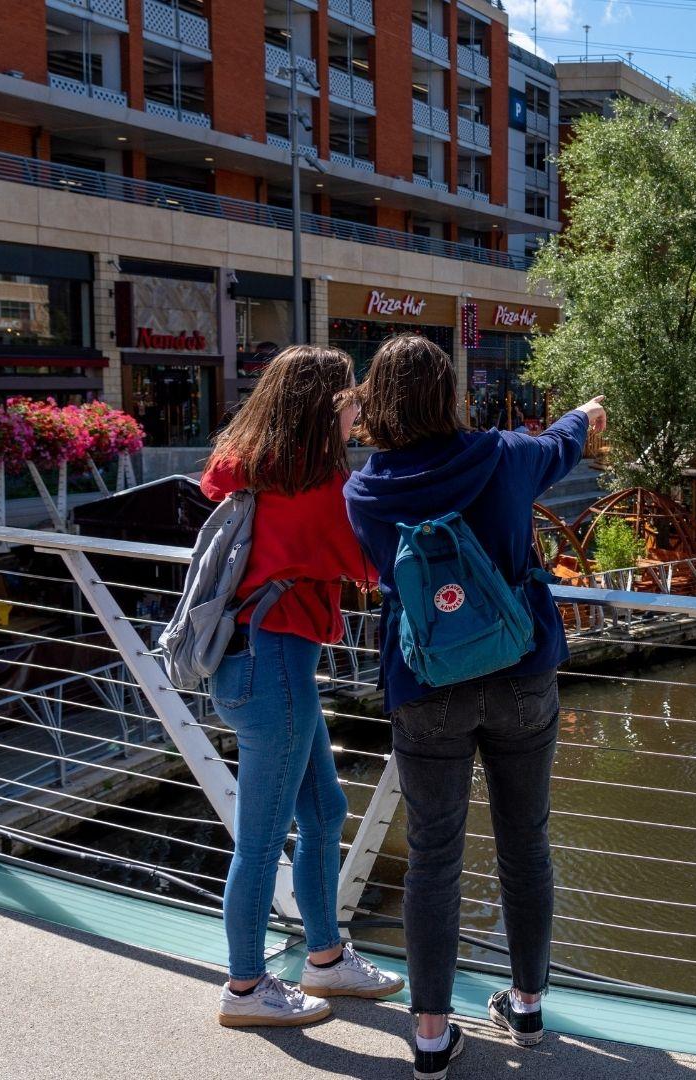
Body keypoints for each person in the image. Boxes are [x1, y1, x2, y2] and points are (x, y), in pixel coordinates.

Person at [343, 334, 606, 1080]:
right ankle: (525, 1004)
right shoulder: (499, 456)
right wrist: (586, 413)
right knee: (526, 841)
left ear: (379, 403)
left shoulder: (364, 492)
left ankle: (431, 1035)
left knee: (433, 856)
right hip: (521, 672)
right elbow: (560, 444)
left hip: (425, 686)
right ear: (449, 394)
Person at [202, 345, 405, 1029]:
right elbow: (369, 567)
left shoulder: (254, 471)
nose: (357, 413)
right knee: (259, 840)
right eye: (350, 400)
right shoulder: (316, 489)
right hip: (275, 668)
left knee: (322, 811)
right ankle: (245, 988)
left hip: (250, 664)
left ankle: (325, 956)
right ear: (327, 407)